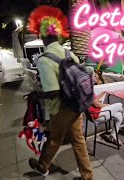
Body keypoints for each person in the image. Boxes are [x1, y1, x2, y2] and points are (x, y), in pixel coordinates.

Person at [27, 6, 93, 179]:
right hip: (77, 105)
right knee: (78, 141)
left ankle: (42, 166)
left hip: (61, 108)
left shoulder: (44, 60)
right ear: (57, 36)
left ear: (42, 37)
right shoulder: (69, 53)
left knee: (55, 139)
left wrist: (36, 96)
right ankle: (87, 175)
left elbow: (53, 91)